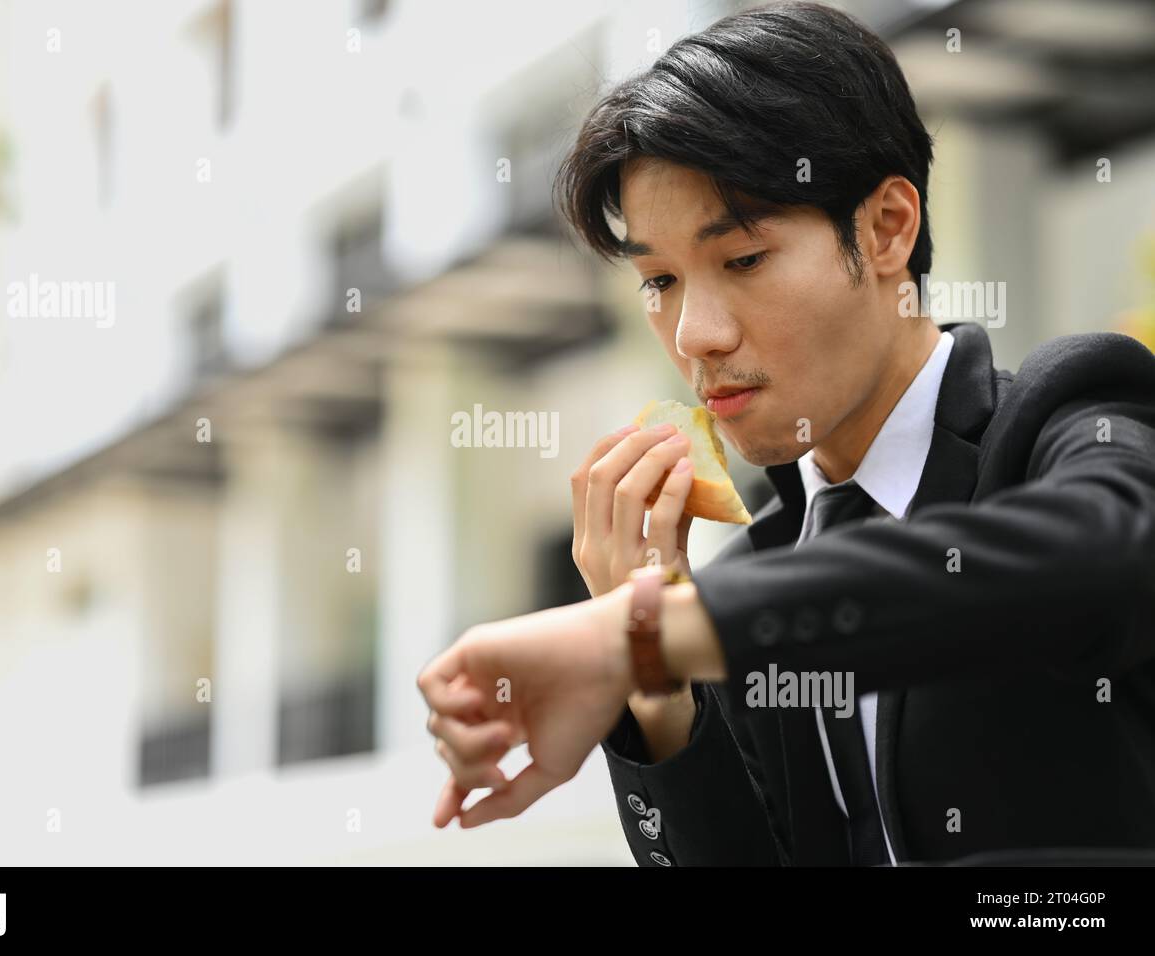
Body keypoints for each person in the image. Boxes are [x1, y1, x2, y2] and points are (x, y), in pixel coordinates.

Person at [417, 1, 1155, 865]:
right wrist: (657, 688)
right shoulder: (752, 575)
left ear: (886, 229)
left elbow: (1106, 559)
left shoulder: (1065, 417)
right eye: (658, 279)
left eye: (742, 260)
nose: (695, 335)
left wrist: (638, 635)